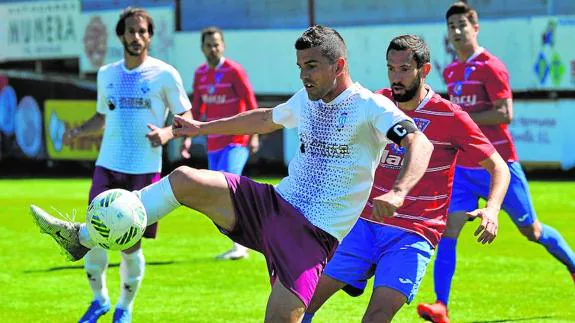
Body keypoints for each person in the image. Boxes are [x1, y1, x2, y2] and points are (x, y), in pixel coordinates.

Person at [30, 25, 434, 323]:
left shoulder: (369, 107)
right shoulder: (307, 96)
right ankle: (81, 238)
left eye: (311, 66)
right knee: (185, 179)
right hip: (273, 205)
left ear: (339, 64)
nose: (303, 75)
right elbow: (264, 118)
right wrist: (201, 128)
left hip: (313, 236)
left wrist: (398, 193)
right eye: (299, 66)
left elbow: (421, 143)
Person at [301, 35, 510, 323]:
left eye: (403, 69)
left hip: (413, 233)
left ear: (423, 71)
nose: (395, 77)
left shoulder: (450, 116)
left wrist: (493, 209)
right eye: (390, 68)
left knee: (377, 316)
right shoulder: (379, 102)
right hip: (363, 224)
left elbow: (499, 166)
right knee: (301, 302)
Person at [417, 3, 575, 323]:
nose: (457, 31)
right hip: (463, 167)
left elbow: (505, 114)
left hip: (499, 165)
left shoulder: (491, 66)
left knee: (531, 230)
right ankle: (440, 305)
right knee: (449, 229)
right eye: (451, 27)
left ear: (475, 28)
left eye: (462, 24)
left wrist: (462, 120)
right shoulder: (451, 71)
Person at [61, 7, 192, 323]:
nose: (137, 37)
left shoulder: (165, 73)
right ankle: (99, 301)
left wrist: (167, 132)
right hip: (107, 166)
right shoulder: (107, 73)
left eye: (143, 31)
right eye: (131, 31)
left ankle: (124, 307)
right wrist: (78, 131)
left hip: (144, 171)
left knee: (129, 244)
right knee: (94, 235)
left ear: (150, 36)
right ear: (121, 35)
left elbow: (185, 118)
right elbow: (102, 117)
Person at [186, 26, 259, 260]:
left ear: (223, 45)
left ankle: (242, 244)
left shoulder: (234, 70)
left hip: (236, 139)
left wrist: (254, 134)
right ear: (202, 48)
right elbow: (197, 109)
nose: (213, 48)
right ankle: (242, 239)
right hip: (213, 143)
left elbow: (250, 101)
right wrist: (187, 137)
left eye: (216, 44)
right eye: (208, 45)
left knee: (229, 187)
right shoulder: (200, 74)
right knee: (220, 192)